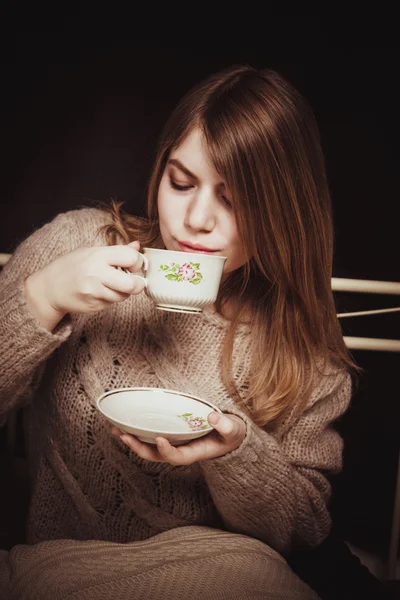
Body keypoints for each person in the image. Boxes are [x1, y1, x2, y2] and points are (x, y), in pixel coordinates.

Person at [0, 63, 357, 599]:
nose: (195, 219)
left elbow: (304, 529)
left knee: (256, 580)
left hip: (218, 571)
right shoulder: (77, 244)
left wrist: (238, 450)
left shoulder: (305, 355)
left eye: (233, 200)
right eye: (181, 182)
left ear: (284, 211)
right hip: (59, 567)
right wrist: (42, 299)